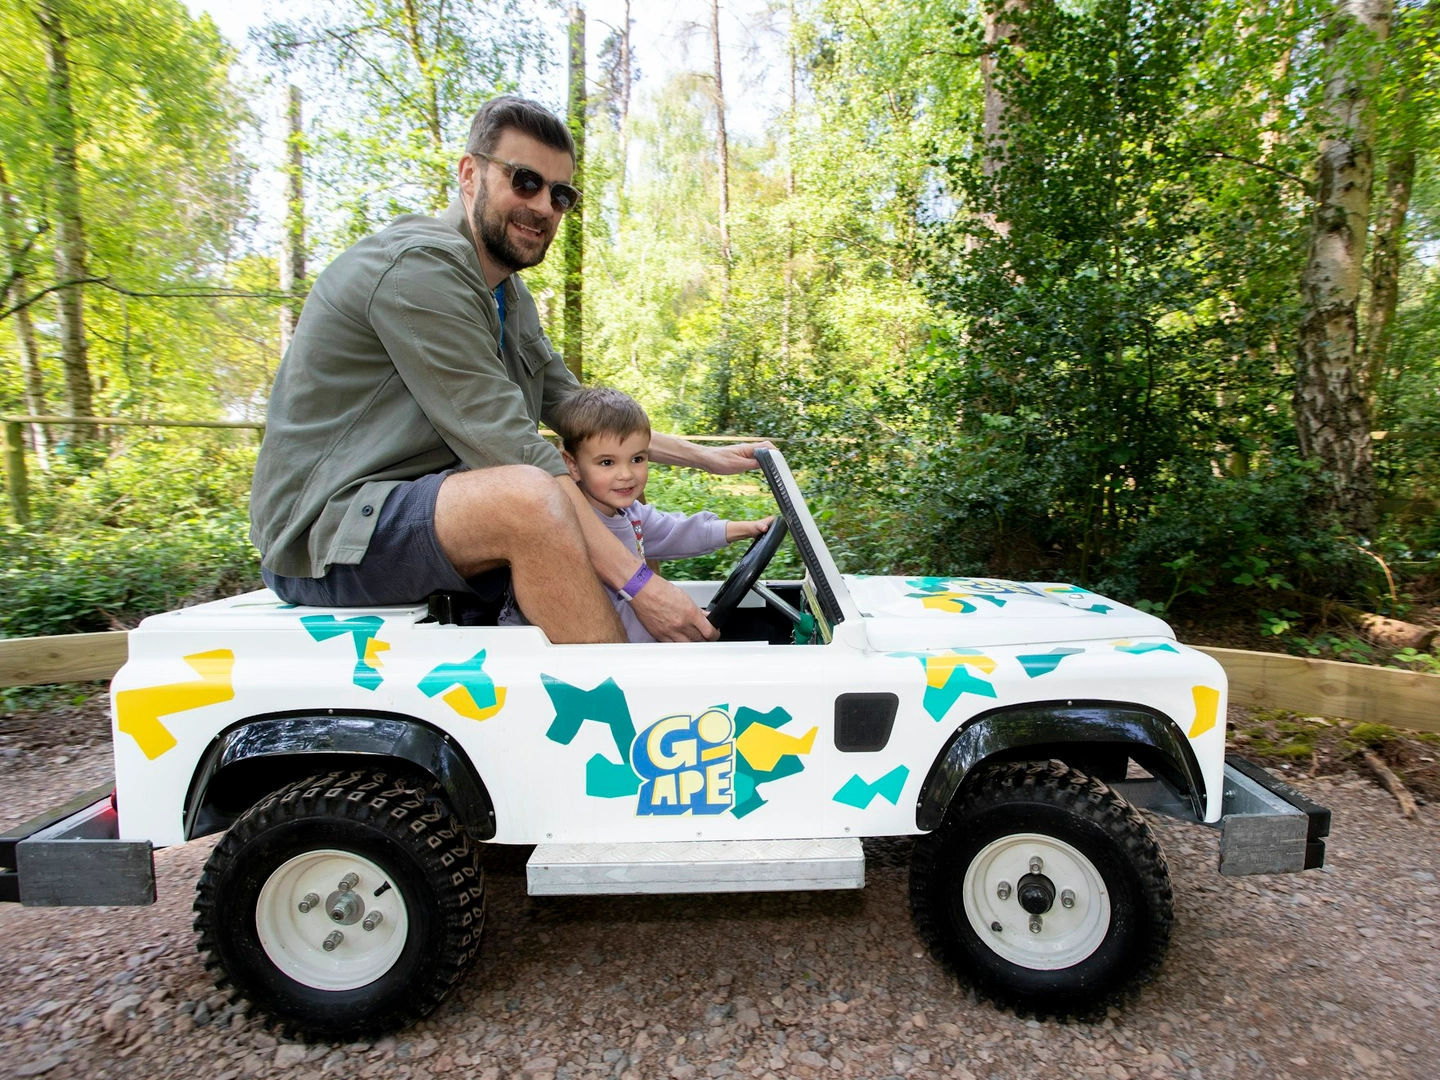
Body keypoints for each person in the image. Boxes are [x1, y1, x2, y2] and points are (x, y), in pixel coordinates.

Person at [249, 95, 768, 643]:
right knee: (531, 497)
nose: (543, 206)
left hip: (423, 506)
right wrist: (641, 585)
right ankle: (624, 714)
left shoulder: (506, 292)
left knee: (614, 501)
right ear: (470, 174)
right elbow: (508, 444)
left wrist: (705, 458)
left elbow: (575, 410)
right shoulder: (420, 270)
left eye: (561, 194)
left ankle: (641, 670)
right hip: (329, 532)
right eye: (525, 181)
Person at [500, 387, 774, 642]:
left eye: (637, 459)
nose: (626, 474)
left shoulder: (629, 514)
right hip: (543, 657)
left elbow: (676, 531)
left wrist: (748, 528)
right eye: (607, 462)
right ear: (571, 465)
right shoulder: (570, 522)